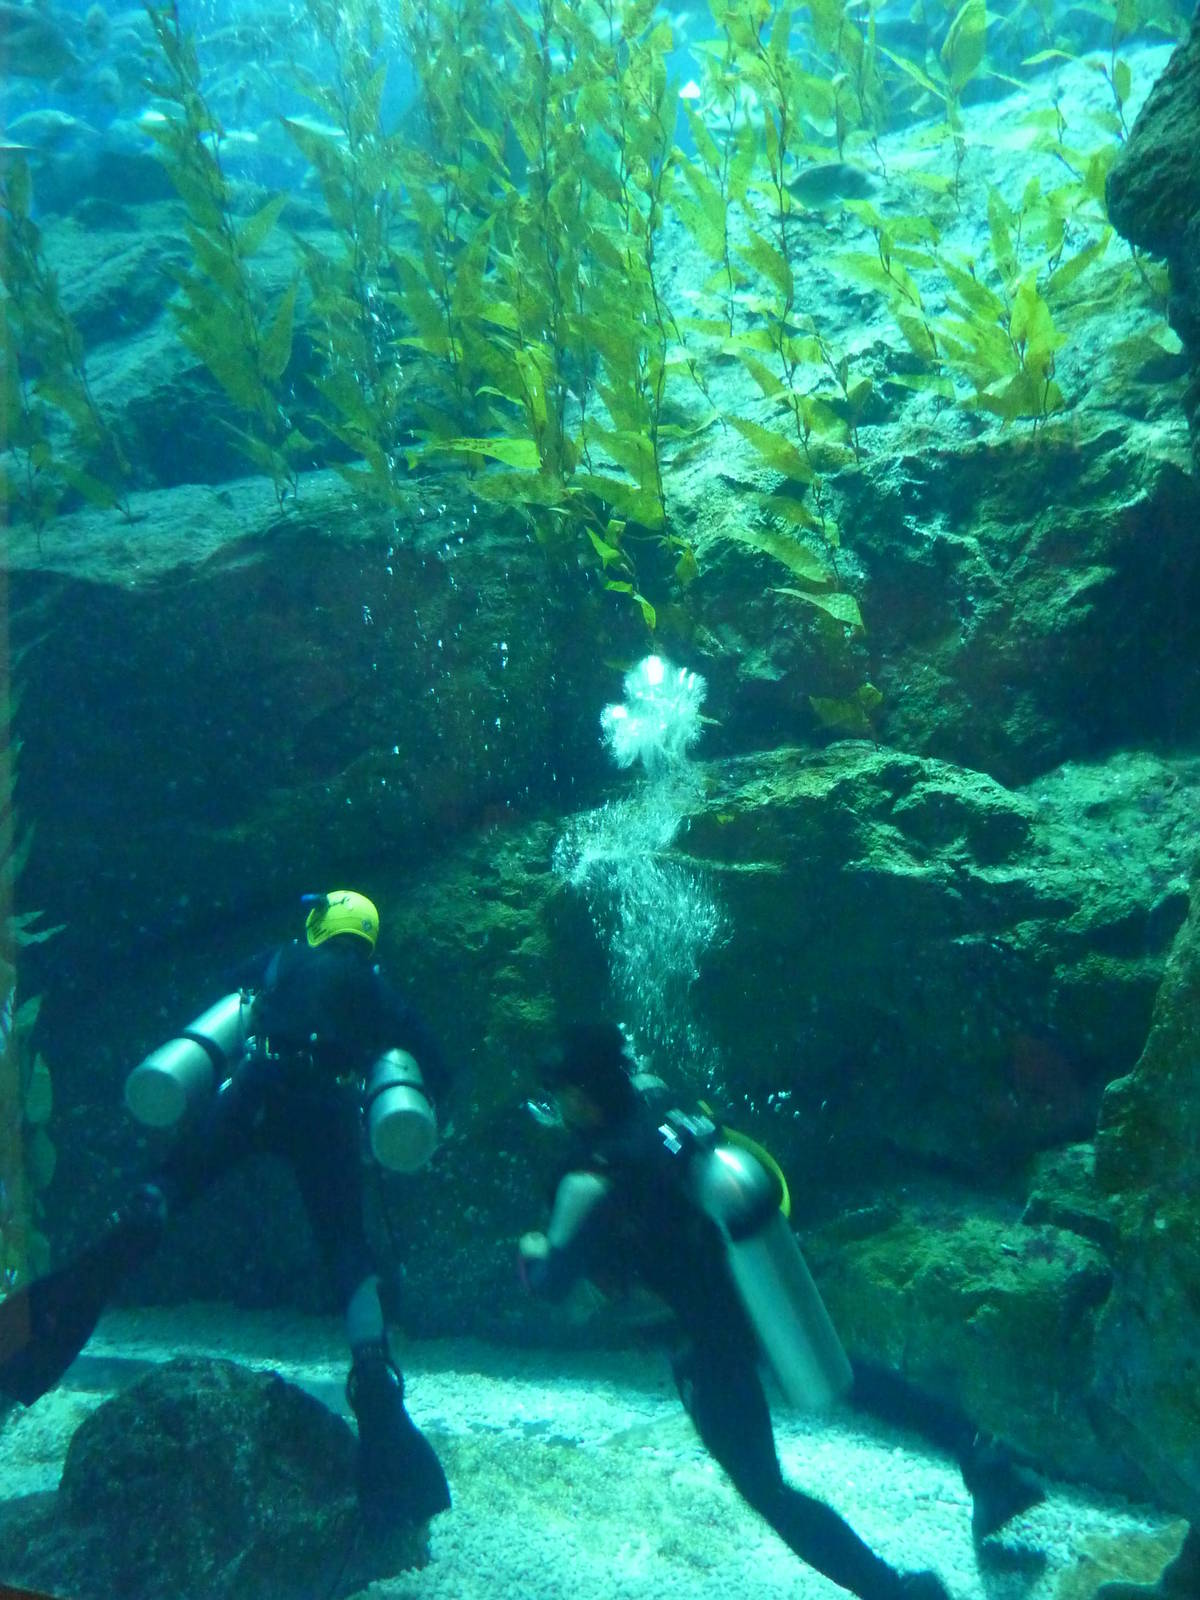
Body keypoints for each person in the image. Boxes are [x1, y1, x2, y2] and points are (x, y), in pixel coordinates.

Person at [519, 1023, 1045, 1600]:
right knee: (843, 1376)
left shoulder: (587, 1180)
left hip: (702, 1341)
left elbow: (551, 1286)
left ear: (579, 1094)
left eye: (560, 1089)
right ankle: (984, 1457)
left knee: (767, 1489)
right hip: (755, 1283)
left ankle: (891, 1591)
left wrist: (533, 1250)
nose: (557, 1103)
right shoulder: (660, 1100)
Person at [0, 889, 452, 1535]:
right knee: (348, 1248)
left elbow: (229, 987)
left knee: (174, 1181)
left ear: (319, 926)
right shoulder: (375, 987)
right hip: (326, 1109)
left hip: (256, 1088)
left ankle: (105, 1260)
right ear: (370, 937)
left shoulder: (286, 957)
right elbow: (429, 1055)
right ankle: (375, 1376)